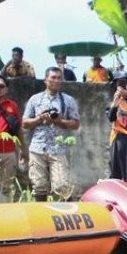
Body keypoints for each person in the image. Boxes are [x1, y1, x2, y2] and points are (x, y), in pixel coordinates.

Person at [22, 67, 80, 201]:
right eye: (53, 77)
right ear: (45, 80)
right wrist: (39, 119)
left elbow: (76, 124)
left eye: (59, 78)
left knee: (62, 186)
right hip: (37, 147)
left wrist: (58, 121)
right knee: (39, 186)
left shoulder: (68, 100)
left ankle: (64, 215)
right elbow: (24, 123)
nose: (57, 81)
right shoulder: (35, 99)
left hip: (58, 148)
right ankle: (41, 218)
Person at [107, 74, 127, 185]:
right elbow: (111, 117)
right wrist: (115, 104)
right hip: (118, 140)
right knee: (115, 171)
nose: (121, 87)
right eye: (118, 84)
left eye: (124, 84)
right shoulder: (113, 104)